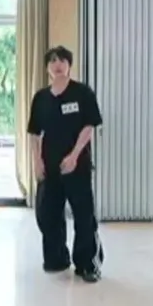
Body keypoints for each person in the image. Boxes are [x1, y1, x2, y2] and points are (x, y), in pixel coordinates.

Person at [27, 46, 103, 283]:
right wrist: (36, 161)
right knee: (47, 214)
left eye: (62, 61)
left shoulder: (82, 93)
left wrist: (74, 155)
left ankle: (87, 264)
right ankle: (56, 258)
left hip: (76, 165)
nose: (57, 65)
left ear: (69, 65)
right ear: (47, 68)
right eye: (52, 61)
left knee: (83, 215)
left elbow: (89, 127)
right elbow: (34, 133)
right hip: (49, 166)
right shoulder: (41, 98)